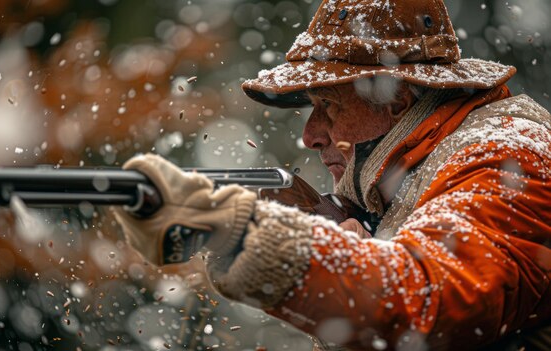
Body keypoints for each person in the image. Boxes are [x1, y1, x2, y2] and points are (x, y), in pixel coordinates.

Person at [113, 0, 551, 350]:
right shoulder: (409, 179)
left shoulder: (505, 154)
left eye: (329, 106)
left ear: (395, 98)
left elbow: (424, 302)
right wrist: (326, 228)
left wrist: (246, 234)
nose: (309, 135)